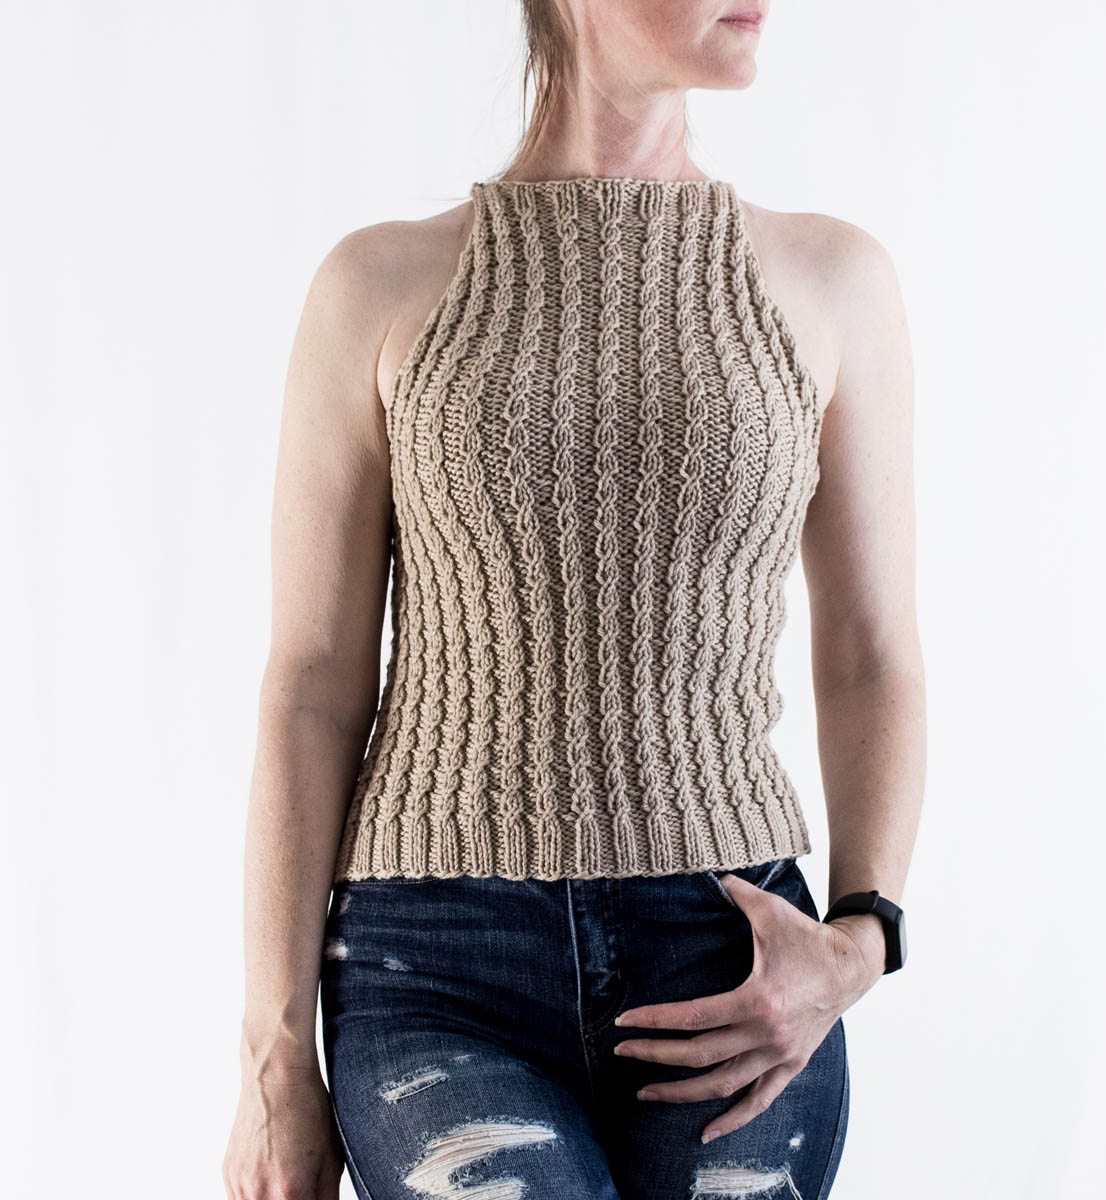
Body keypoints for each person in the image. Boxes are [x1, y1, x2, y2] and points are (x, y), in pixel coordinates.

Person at [222, 2, 924, 1197]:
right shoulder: (378, 285)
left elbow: (872, 652)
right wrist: (274, 1061)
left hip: (731, 956)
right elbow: (312, 684)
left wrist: (862, 938)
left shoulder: (830, 280)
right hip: (435, 967)